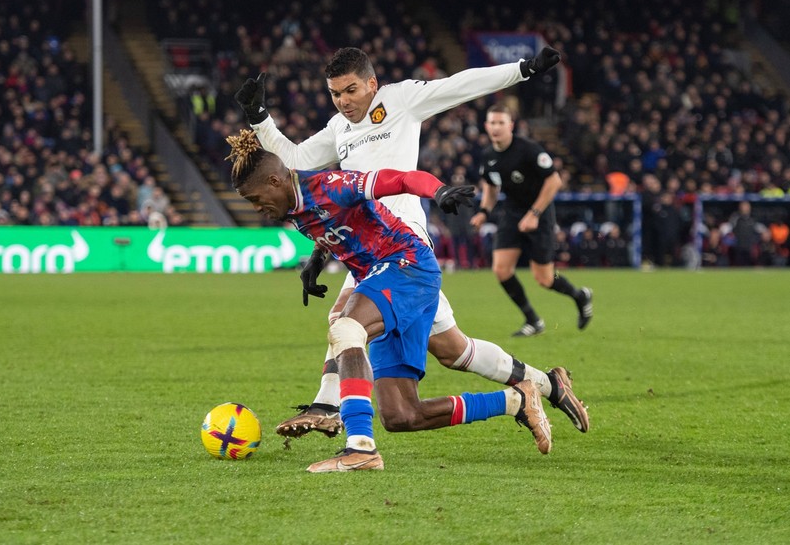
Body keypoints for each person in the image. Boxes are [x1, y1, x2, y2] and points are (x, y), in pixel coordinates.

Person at [235, 46, 590, 439]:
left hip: (400, 244)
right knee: (453, 350)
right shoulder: (339, 128)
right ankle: (548, 385)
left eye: (350, 90)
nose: (343, 101)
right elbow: (295, 161)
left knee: (343, 319)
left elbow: (461, 85)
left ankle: (329, 406)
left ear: (372, 83)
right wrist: (260, 119)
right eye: (336, 94)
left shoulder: (400, 99)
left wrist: (522, 70)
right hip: (367, 248)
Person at [225, 129, 553, 472]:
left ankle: (360, 447)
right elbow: (329, 229)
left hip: (406, 265)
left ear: (276, 180)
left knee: (346, 328)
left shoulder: (332, 185)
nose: (256, 208)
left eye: (254, 198)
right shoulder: (290, 206)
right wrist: (315, 262)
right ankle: (517, 398)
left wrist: (437, 190)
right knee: (402, 415)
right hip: (385, 279)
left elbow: (399, 179)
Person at [470, 104, 593, 337]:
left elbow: (554, 181)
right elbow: (492, 187)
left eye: (501, 123)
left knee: (545, 278)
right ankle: (533, 320)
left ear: (511, 126)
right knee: (501, 269)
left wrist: (534, 214)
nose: (496, 128)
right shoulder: (488, 156)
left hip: (540, 213)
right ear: (486, 126)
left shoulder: (528, 149)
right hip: (512, 212)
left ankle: (580, 296)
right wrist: (484, 212)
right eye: (492, 123)